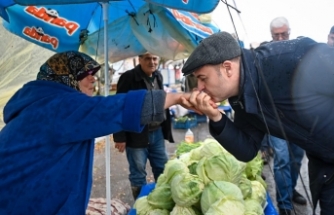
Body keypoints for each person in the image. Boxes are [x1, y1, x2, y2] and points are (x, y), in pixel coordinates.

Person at [0, 51, 189, 214]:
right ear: (65, 77)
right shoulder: (57, 107)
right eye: (84, 73)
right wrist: (179, 97)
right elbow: (116, 109)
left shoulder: (38, 104)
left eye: (93, 73)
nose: (92, 78)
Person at [180, 32, 334, 215]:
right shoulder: (241, 99)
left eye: (203, 78)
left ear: (228, 68)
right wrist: (216, 117)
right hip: (325, 162)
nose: (200, 88)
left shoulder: (289, 57)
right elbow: (248, 149)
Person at [113, 53, 174, 200]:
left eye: (155, 58)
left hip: (157, 132)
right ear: (139, 60)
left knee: (163, 168)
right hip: (136, 133)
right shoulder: (129, 78)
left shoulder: (158, 76)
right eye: (147, 58)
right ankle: (141, 205)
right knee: (138, 172)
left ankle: (163, 200)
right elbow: (118, 106)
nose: (152, 62)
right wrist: (119, 136)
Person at [262, 17, 307, 215]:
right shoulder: (265, 56)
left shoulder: (299, 53)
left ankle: (290, 189)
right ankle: (285, 205)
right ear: (271, 36)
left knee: (297, 157)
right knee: (281, 158)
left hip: (298, 118)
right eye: (276, 35)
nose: (281, 39)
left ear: (290, 32)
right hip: (276, 118)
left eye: (284, 34)